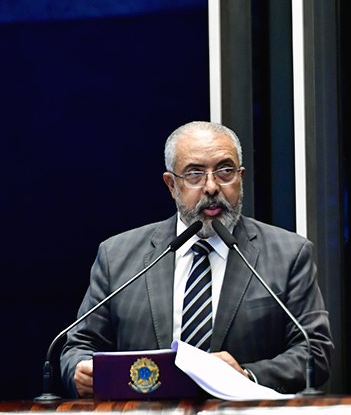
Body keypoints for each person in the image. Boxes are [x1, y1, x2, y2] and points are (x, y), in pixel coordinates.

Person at [60, 121, 333, 397]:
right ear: (171, 184)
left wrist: (247, 376)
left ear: (240, 177)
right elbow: (78, 346)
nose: (212, 187)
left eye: (225, 171)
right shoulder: (117, 256)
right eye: (194, 174)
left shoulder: (289, 254)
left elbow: (315, 350)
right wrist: (79, 370)